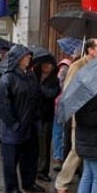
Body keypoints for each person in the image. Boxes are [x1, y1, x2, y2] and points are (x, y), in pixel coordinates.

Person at [54, 38, 97, 193]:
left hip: (95, 115)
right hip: (81, 114)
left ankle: (87, 185)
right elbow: (69, 90)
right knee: (77, 150)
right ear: (90, 50)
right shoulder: (77, 66)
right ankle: (61, 183)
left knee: (88, 150)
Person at [0, 45, 44, 193]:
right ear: (17, 59)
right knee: (11, 160)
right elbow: (4, 106)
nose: (29, 58)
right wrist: (14, 124)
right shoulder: (7, 79)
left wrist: (36, 118)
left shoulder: (30, 76)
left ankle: (29, 182)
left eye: (29, 56)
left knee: (30, 156)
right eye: (25, 56)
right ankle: (11, 188)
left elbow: (36, 97)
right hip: (14, 127)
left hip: (30, 125)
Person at [33, 52, 60, 182]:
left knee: (44, 144)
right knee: (34, 144)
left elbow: (51, 94)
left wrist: (39, 88)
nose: (47, 66)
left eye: (49, 64)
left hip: (46, 116)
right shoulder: (34, 76)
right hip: (33, 115)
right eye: (45, 63)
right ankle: (33, 168)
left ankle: (42, 170)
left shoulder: (54, 80)